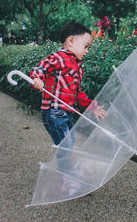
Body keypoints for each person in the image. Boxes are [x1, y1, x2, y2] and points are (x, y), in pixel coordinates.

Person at [29, 21, 107, 173]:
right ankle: (66, 173)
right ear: (71, 41)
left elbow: (77, 94)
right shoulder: (58, 57)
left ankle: (66, 169)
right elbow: (41, 68)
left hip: (67, 112)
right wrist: (37, 79)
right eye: (86, 46)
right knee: (66, 144)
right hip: (54, 112)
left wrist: (92, 107)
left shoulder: (78, 67)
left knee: (69, 142)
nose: (87, 51)